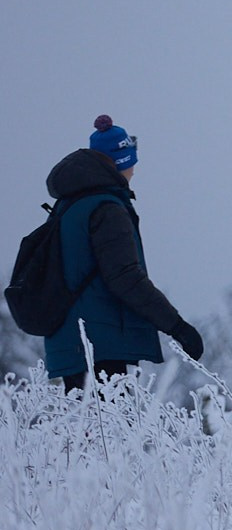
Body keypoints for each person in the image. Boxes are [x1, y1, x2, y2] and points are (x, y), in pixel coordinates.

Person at [35, 116, 203, 388]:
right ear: (119, 163)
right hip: (100, 345)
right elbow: (125, 277)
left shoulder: (70, 205)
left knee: (84, 427)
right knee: (107, 428)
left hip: (77, 341)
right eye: (130, 161)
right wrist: (177, 327)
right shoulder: (107, 209)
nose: (134, 170)